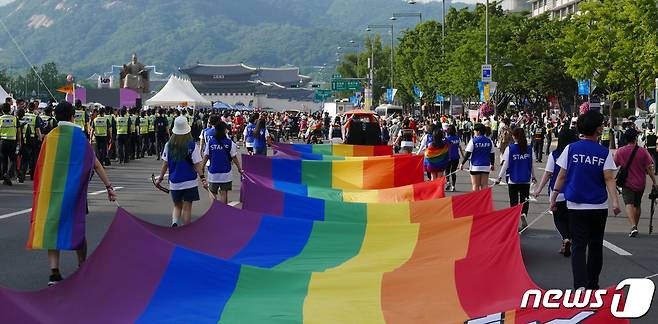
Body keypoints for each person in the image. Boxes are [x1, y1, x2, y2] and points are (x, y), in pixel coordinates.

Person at [27, 101, 116, 286]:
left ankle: (54, 272)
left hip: (51, 192)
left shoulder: (50, 137)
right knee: (77, 226)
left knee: (52, 227)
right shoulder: (78, 136)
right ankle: (82, 265)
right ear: (71, 116)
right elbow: (95, 162)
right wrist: (108, 186)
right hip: (74, 193)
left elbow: (42, 166)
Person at [550, 110, 621, 290]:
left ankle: (580, 285)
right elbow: (609, 179)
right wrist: (615, 201)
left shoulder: (570, 149)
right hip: (598, 205)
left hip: (575, 205)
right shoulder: (603, 152)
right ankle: (592, 284)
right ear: (598, 129)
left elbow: (561, 176)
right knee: (596, 246)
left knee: (579, 246)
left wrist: (554, 197)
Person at [534, 128, 580, 257]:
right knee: (570, 219)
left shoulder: (554, 155)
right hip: (573, 192)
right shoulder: (576, 155)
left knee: (559, 219)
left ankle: (565, 239)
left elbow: (548, 173)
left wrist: (539, 189)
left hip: (557, 192)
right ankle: (569, 241)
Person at [156, 116, 206, 227]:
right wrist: (203, 178)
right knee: (187, 208)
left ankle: (174, 222)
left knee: (177, 206)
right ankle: (185, 231)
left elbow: (165, 164)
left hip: (175, 182)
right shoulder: (192, 145)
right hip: (190, 181)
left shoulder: (168, 145)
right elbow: (197, 165)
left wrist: (160, 178)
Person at [614, 128, 658, 237]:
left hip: (627, 183)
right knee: (637, 205)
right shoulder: (643, 151)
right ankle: (635, 226)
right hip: (640, 183)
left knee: (629, 203)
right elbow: (649, 168)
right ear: (635, 138)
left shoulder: (620, 151)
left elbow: (613, 165)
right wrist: (654, 182)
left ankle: (633, 226)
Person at [497, 128, 536, 231]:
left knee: (513, 201)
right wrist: (533, 176)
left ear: (514, 136)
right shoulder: (529, 148)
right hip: (526, 178)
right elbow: (531, 164)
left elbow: (506, 164)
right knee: (525, 200)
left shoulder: (510, 148)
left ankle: (514, 221)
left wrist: (499, 177)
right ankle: (523, 214)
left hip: (513, 179)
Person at [201, 121, 243, 204]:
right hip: (226, 173)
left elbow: (206, 156)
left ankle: (214, 209)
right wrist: (239, 168)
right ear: (224, 130)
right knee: (224, 193)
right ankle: (223, 211)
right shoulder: (229, 142)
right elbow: (234, 157)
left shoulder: (211, 142)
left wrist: (201, 168)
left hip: (213, 172)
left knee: (212, 192)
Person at [460, 123, 495, 191]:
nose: (474, 132)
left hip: (475, 166)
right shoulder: (489, 141)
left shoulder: (473, 140)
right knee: (484, 184)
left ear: (478, 132)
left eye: (474, 130)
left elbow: (468, 153)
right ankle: (483, 200)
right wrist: (492, 164)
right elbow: (492, 154)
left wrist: (462, 163)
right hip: (486, 166)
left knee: (475, 185)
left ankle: (476, 200)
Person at [18, 102, 43, 182]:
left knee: (23, 157)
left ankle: (22, 174)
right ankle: (32, 175)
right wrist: (40, 138)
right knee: (33, 158)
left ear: (27, 107)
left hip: (22, 138)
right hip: (32, 139)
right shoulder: (36, 117)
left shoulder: (22, 116)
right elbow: (37, 129)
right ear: (34, 108)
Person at [0, 103, 22, 185]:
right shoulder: (15, 119)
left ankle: (5, 177)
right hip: (12, 141)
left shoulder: (0, 119)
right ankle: (8, 174)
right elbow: (19, 132)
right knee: (13, 160)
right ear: (10, 110)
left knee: (4, 160)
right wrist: (19, 142)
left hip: (2, 141)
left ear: (2, 110)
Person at [445, 125, 463, 192]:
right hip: (456, 157)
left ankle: (448, 182)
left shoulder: (447, 139)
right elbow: (460, 148)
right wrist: (463, 157)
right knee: (453, 172)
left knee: (447, 171)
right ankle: (453, 186)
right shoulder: (458, 138)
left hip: (448, 157)